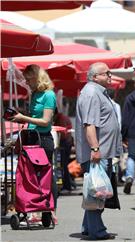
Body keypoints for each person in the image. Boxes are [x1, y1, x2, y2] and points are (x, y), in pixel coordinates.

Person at [75, 62, 122, 240]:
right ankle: (97, 231)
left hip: (102, 152)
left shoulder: (97, 92)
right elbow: (90, 125)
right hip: (97, 153)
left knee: (95, 190)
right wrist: (95, 148)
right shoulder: (92, 92)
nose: (110, 76)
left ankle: (88, 227)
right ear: (95, 77)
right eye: (106, 73)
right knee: (97, 193)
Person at [11, 64, 58, 223]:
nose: (27, 82)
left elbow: (45, 121)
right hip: (31, 137)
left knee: (44, 176)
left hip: (43, 139)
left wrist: (23, 118)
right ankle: (33, 208)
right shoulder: (35, 94)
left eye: (29, 79)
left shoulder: (49, 95)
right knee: (30, 176)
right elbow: (34, 118)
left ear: (37, 78)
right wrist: (21, 116)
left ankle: (48, 208)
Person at [53, 108, 76, 194]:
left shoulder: (61, 119)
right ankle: (69, 183)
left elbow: (62, 134)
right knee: (64, 165)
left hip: (65, 144)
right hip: (67, 143)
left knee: (64, 165)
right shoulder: (62, 118)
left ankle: (68, 185)